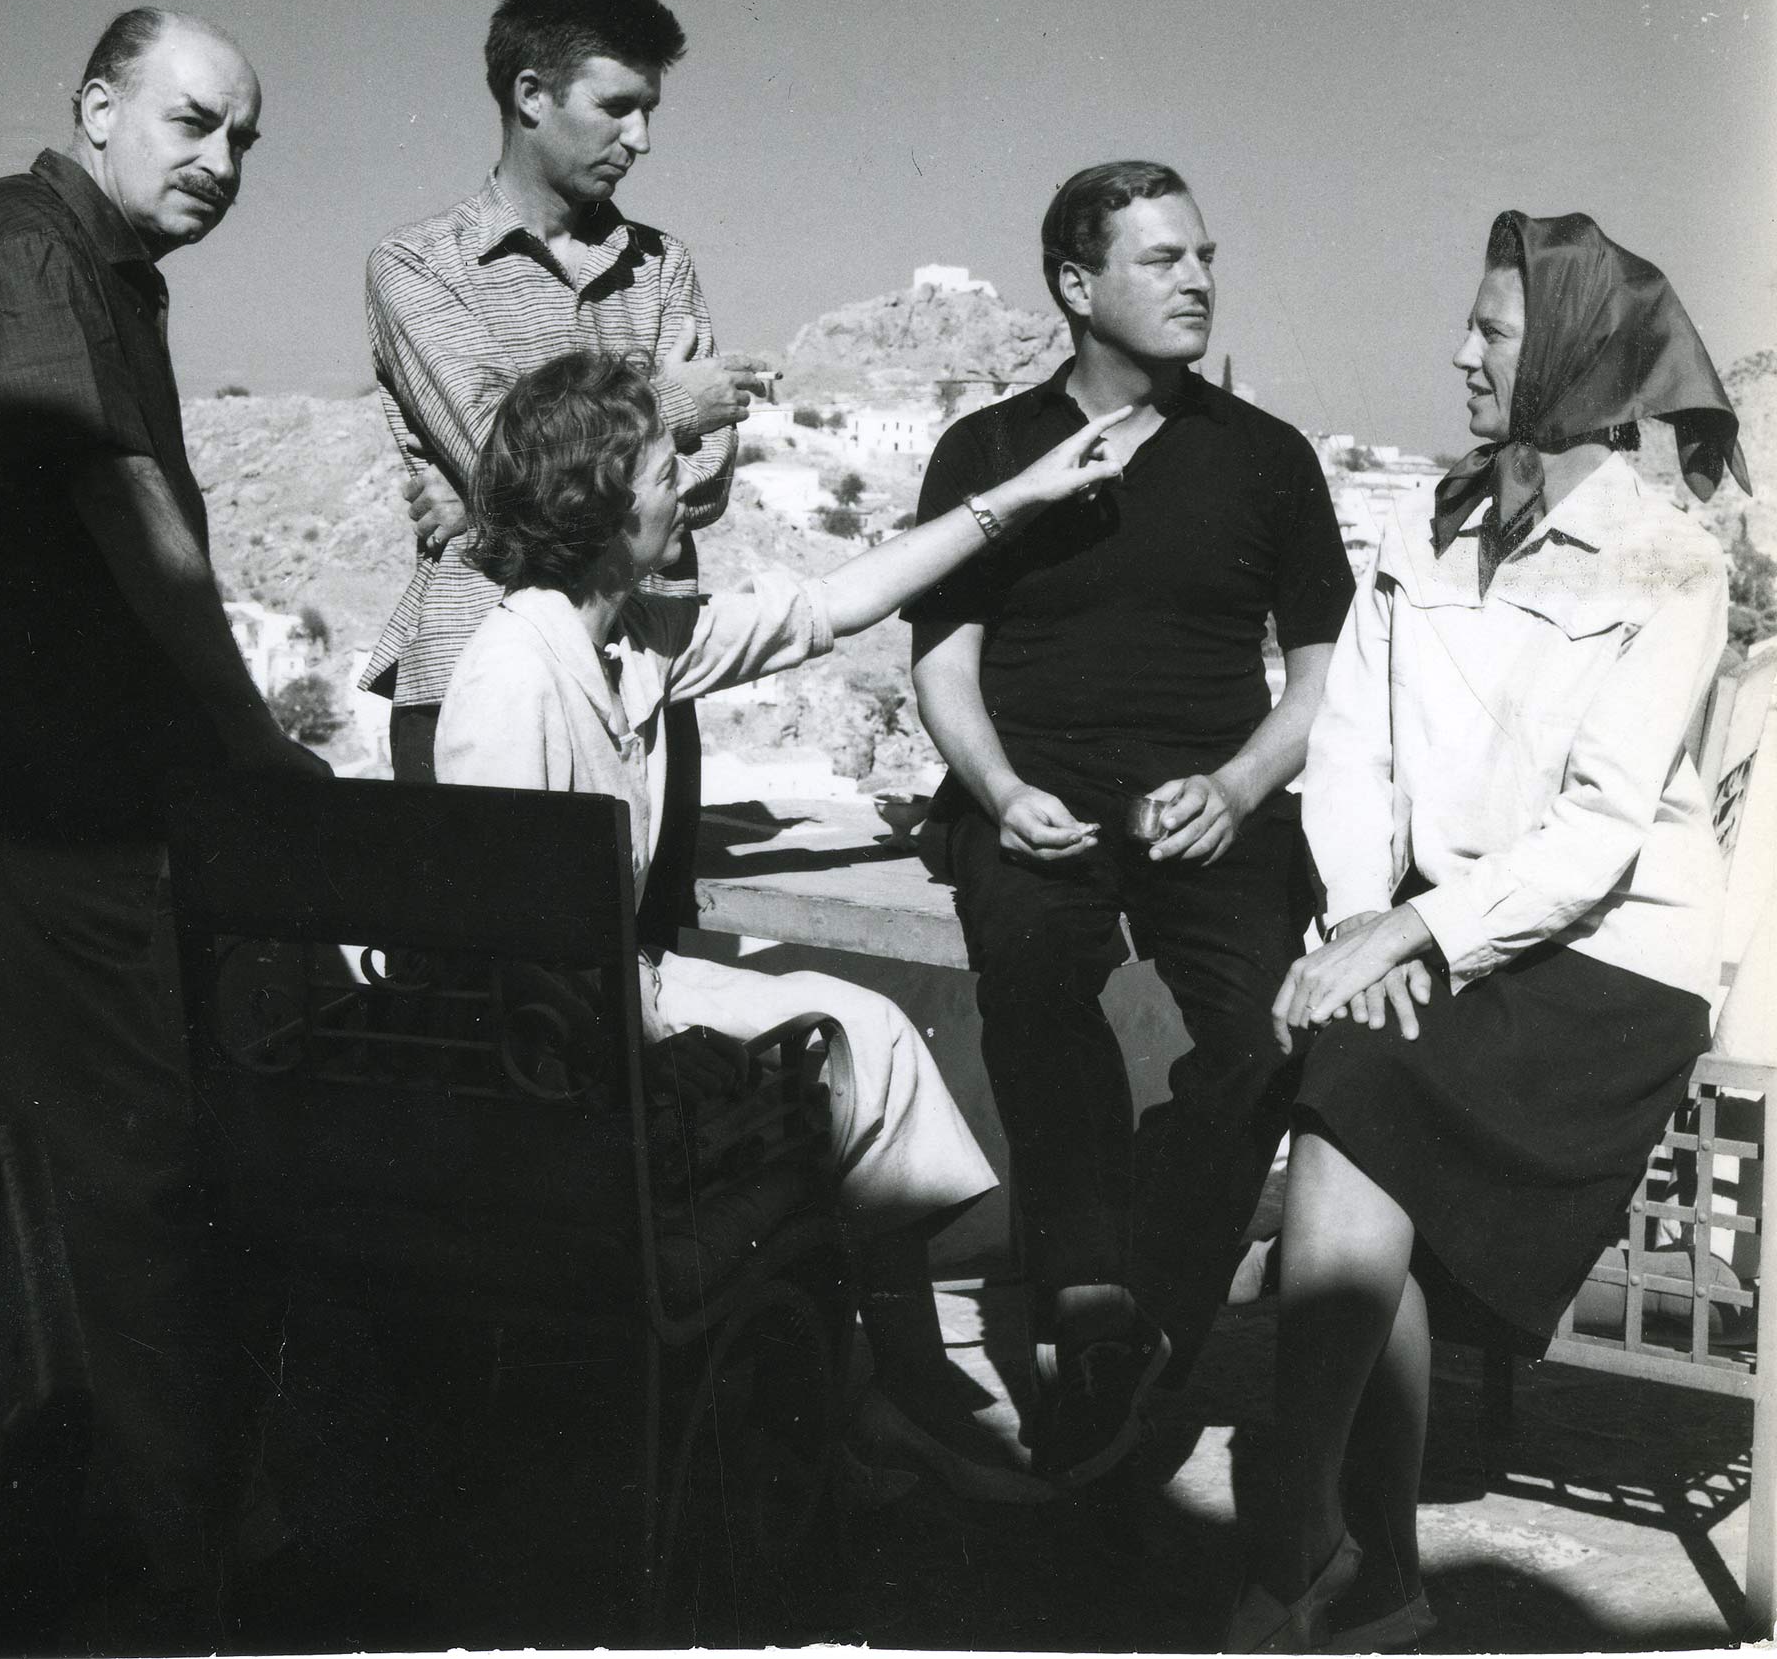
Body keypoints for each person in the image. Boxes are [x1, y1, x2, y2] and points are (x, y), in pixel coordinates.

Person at [0, 9, 328, 1631]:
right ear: (96, 106)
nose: (222, 161)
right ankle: (189, 1578)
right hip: (13, 808)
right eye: (191, 122)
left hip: (16, 797)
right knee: (138, 1180)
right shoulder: (25, 248)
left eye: (244, 138)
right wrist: (251, 743)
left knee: (77, 1180)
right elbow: (119, 501)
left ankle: (59, 1556)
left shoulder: (93, 271)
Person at [435, 348, 1130, 1500]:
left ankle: (890, 1404)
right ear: (602, 503)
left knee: (876, 1040)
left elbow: (830, 604)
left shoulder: (628, 639)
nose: (687, 485)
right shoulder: (516, 674)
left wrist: (1016, 498)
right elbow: (505, 954)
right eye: (666, 466)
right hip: (568, 1055)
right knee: (849, 1058)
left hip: (618, 999)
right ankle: (891, 1405)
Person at [1236, 211, 1748, 1651]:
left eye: (1494, 332)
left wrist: (1408, 935)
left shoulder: (1670, 562)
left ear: (1576, 356)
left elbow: (1598, 830)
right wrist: (1355, 919)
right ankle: (1361, 1572)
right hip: (1431, 937)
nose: (1460, 355)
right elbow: (1351, 748)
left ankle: (1305, 1538)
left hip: (1605, 955)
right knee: (1354, 1101)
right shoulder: (1422, 519)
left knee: (1353, 1103)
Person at [906, 161, 1355, 1485]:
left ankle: (1130, 1293)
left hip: (1216, 803)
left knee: (1273, 1025)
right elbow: (942, 662)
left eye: (1202, 253)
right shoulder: (991, 451)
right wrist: (999, 792)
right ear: (1076, 283)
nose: (1199, 279)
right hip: (1030, 789)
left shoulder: (1265, 456)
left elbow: (1326, 670)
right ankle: (1096, 1306)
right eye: (1161, 259)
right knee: (1037, 981)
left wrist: (1236, 785)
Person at [359, 0, 768, 945]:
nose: (642, 139)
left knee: (645, 999)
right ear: (530, 94)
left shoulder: (662, 264)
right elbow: (504, 448)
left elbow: (698, 486)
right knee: (485, 1000)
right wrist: (670, 402)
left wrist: (496, 494)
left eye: (649, 110)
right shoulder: (416, 266)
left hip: (638, 684)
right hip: (467, 679)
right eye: (617, 107)